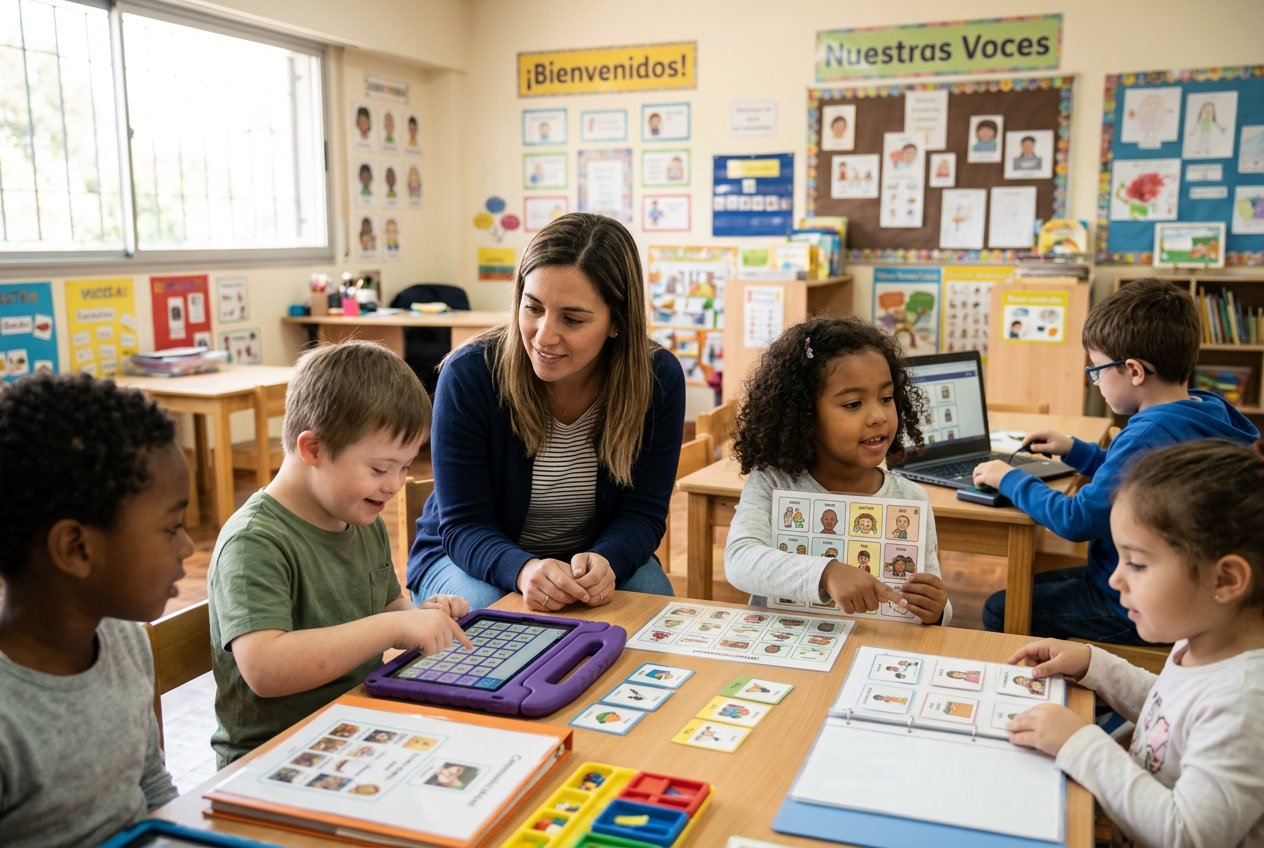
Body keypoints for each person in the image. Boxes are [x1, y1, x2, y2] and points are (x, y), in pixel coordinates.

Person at [208, 341, 472, 767]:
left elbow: (386, 607)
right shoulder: (254, 541)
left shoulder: (361, 518)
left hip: (358, 728)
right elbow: (266, 669)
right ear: (313, 448)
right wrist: (395, 628)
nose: (395, 485)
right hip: (273, 757)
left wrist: (425, 616)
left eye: (405, 468)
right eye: (380, 469)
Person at [407, 213, 684, 610]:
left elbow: (643, 513)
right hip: (469, 560)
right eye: (533, 307)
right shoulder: (470, 374)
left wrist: (608, 559)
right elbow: (464, 525)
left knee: (654, 604)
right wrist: (522, 569)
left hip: (588, 558)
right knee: (488, 615)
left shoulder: (658, 378)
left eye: (572, 319)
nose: (544, 335)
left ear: (617, 323)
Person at [1006, 440, 1264, 848]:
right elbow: (1168, 716)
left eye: (1138, 563)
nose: (1115, 580)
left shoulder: (1246, 703)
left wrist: (1081, 744)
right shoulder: (1204, 640)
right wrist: (1096, 665)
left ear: (1226, 580)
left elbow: (1188, 835)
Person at [974, 278, 1258, 643]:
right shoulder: (1205, 411)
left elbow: (1075, 520)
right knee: (1028, 586)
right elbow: (1146, 478)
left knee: (999, 607)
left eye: (1096, 370)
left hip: (1131, 602)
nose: (1095, 382)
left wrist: (1009, 478)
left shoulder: (1146, 433)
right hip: (1187, 591)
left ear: (1134, 371)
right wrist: (1079, 451)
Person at [0, 374, 186, 844]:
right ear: (77, 549)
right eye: (171, 527)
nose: (187, 546)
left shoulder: (124, 638)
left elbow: (151, 788)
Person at [724, 316, 952, 624]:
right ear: (804, 415)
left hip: (873, 653)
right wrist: (826, 573)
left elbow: (929, 605)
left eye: (886, 398)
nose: (878, 416)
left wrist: (938, 610)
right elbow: (740, 561)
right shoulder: (772, 482)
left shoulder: (909, 499)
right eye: (853, 404)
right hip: (784, 648)